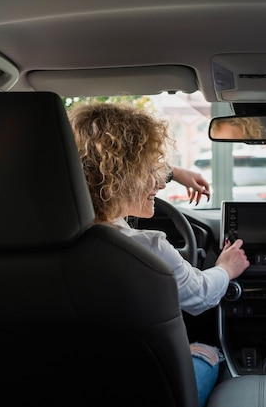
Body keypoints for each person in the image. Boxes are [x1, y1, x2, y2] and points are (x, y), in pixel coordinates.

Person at [68, 102, 250, 407]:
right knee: (207, 352)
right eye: (147, 170)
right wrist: (226, 268)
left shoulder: (33, 241)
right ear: (120, 177)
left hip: (69, 382)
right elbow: (202, 296)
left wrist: (175, 173)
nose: (157, 183)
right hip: (141, 389)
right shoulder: (147, 249)